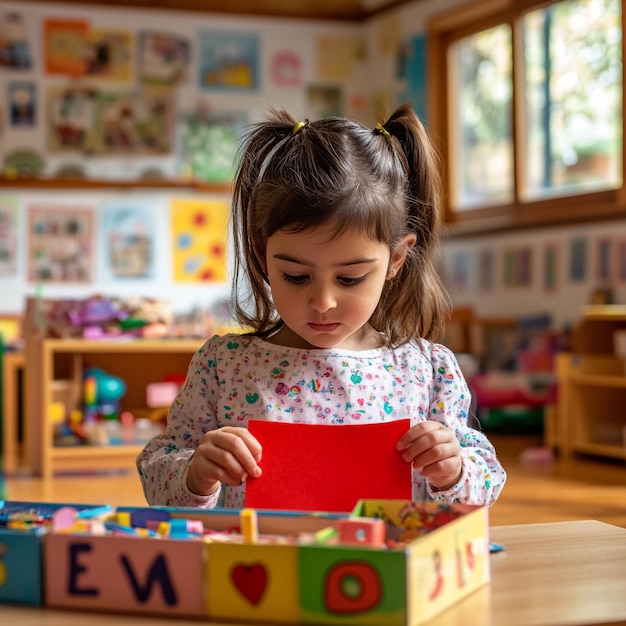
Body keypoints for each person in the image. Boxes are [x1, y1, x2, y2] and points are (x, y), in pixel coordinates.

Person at [137, 103, 507, 509]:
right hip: (260, 569)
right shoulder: (223, 367)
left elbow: (483, 485)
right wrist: (196, 474)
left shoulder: (427, 370)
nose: (323, 302)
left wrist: (453, 470)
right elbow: (159, 474)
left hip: (383, 570)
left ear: (396, 260)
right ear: (262, 255)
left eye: (350, 278)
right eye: (296, 276)